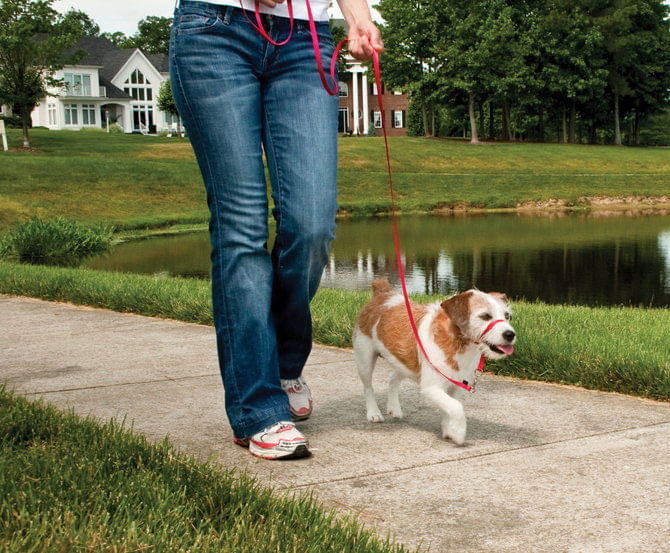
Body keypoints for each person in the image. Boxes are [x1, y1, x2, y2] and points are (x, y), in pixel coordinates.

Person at [169, 0, 383, 459]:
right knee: (241, 227)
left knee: (312, 224)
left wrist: (357, 17)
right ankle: (258, 409)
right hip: (214, 30)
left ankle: (284, 363)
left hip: (305, 39)